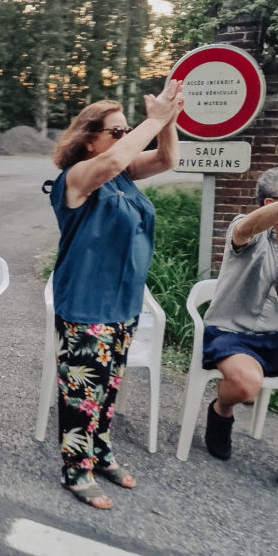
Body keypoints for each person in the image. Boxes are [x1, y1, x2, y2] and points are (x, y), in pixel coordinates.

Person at [46, 79, 184, 509]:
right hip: (86, 302)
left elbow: (167, 158)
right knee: (82, 391)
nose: (125, 139)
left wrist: (168, 121)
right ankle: (76, 469)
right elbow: (117, 159)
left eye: (127, 131)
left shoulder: (124, 174)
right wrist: (153, 119)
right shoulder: (80, 177)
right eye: (117, 131)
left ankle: (100, 452)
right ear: (90, 141)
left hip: (123, 301)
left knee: (107, 390)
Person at [202, 160, 278, 508]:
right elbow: (248, 227)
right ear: (272, 204)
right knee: (246, 385)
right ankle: (221, 410)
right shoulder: (246, 227)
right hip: (230, 331)